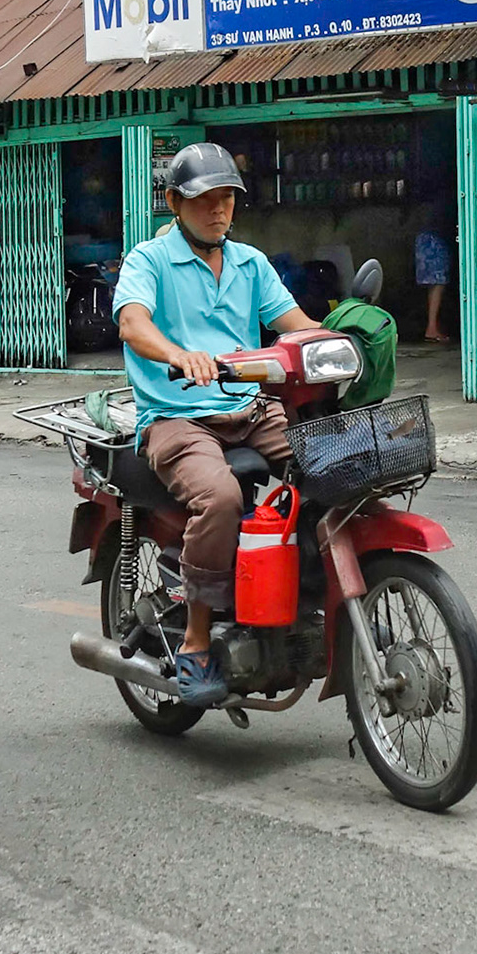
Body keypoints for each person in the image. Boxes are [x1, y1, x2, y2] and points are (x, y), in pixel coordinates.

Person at [112, 143, 319, 707]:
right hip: (178, 418)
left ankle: (319, 599)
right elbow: (134, 325)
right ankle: (200, 642)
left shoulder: (250, 263)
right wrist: (178, 354)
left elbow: (294, 323)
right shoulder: (148, 261)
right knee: (221, 498)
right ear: (176, 203)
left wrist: (339, 337)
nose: (219, 209)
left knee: (329, 465)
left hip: (251, 410)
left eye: (227, 197)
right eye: (206, 199)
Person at [414, 226, 452, 343]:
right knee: (438, 283)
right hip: (434, 240)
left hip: (427, 238)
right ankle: (432, 328)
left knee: (435, 285)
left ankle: (432, 326)